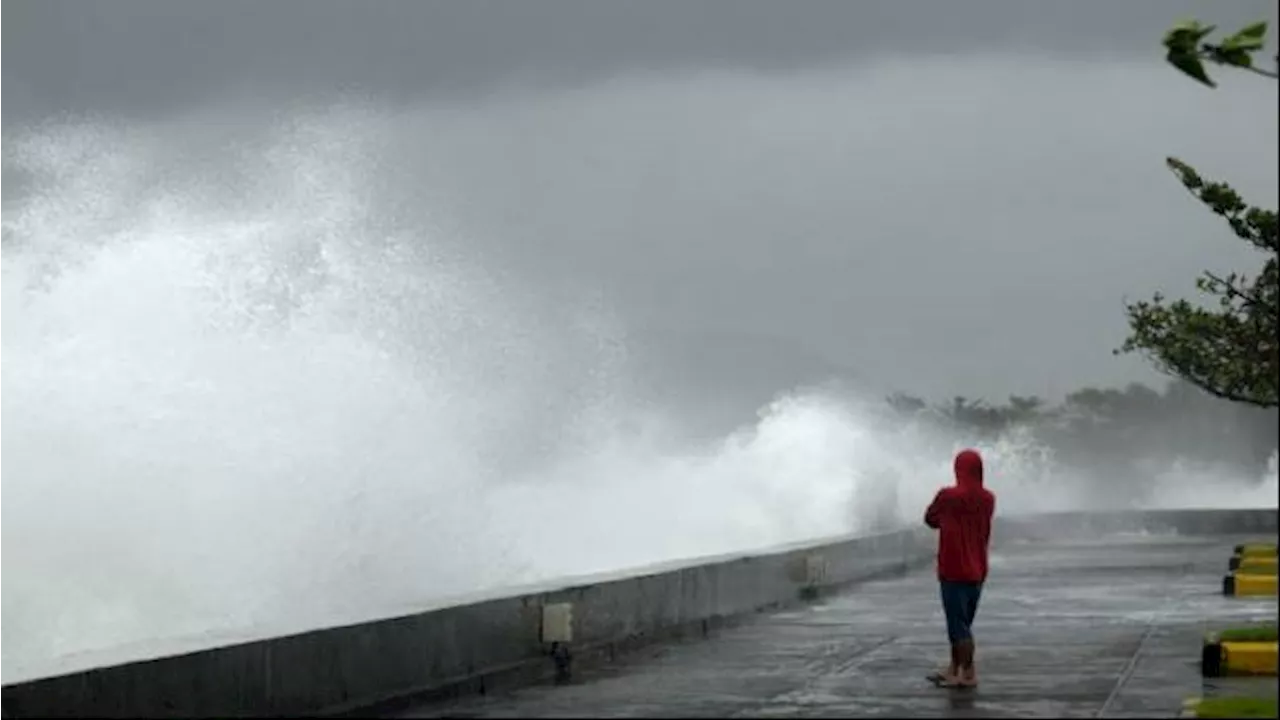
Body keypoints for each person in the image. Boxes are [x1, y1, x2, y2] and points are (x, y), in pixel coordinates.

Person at [924, 448, 996, 689]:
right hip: (978, 569)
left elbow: (930, 519)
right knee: (962, 623)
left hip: (953, 569)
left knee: (957, 626)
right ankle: (953, 669)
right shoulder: (988, 498)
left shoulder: (948, 496)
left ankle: (968, 674)